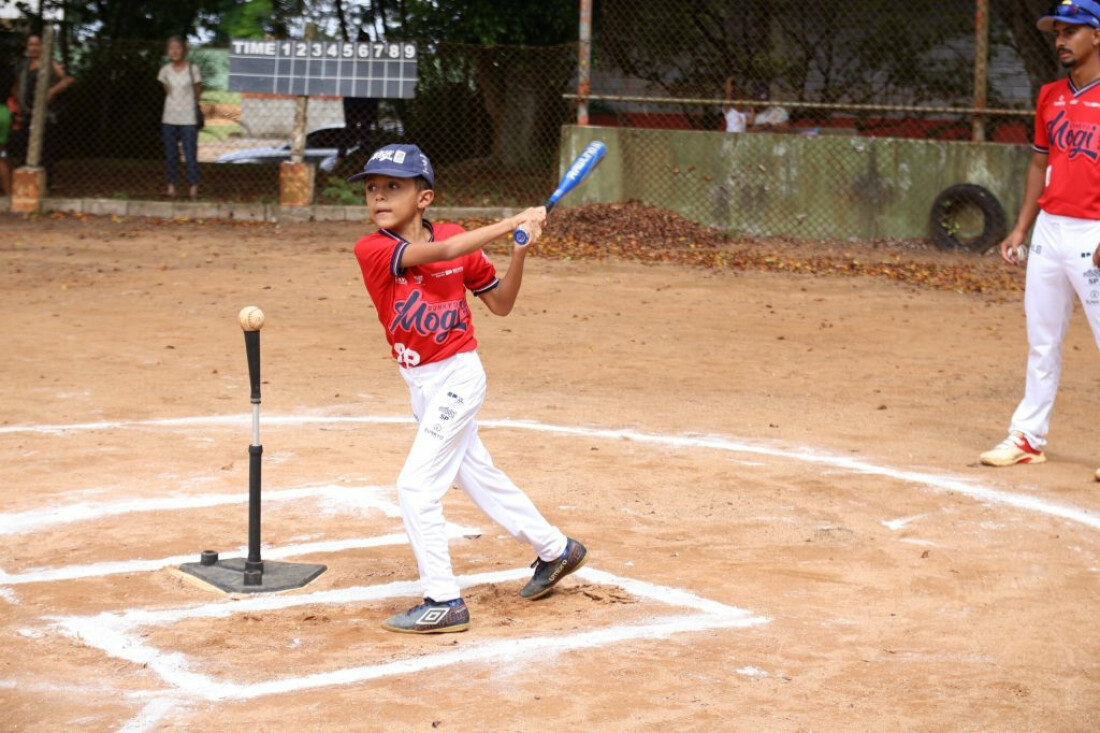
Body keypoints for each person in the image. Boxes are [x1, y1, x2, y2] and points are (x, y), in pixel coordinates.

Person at [350, 143, 589, 633]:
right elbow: (440, 253)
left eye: (393, 187)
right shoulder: (373, 249)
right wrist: (511, 222)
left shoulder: (457, 238)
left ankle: (444, 600)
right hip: (421, 383)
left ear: (424, 198)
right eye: (372, 188)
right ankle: (556, 549)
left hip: (458, 375)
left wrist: (519, 250)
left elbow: (500, 303)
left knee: (415, 487)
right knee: (478, 475)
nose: (379, 196)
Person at [979, 0, 1100, 484]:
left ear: (1097, 35)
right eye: (1057, 33)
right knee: (1042, 340)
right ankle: (1028, 438)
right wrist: (1020, 228)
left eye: (1072, 31)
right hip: (1051, 228)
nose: (1061, 40)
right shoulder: (1050, 95)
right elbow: (1038, 163)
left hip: (1094, 230)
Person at [10, 33, 73, 185]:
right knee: (24, 147)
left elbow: (68, 79)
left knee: (45, 149)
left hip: (45, 114)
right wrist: (17, 103)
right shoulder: (23, 65)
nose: (33, 48)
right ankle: (26, 183)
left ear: (43, 46)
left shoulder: (50, 63)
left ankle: (45, 183)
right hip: (25, 112)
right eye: (30, 44)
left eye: (36, 44)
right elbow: (16, 85)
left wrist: (52, 91)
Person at [157, 37, 202, 199]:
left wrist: (190, 104)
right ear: (167, 51)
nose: (174, 51)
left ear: (184, 50)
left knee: (190, 153)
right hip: (169, 117)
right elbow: (166, 90)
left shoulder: (192, 69)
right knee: (171, 154)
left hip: (188, 118)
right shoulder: (165, 71)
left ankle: (193, 186)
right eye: (171, 48)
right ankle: (171, 186)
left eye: (178, 48)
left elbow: (198, 90)